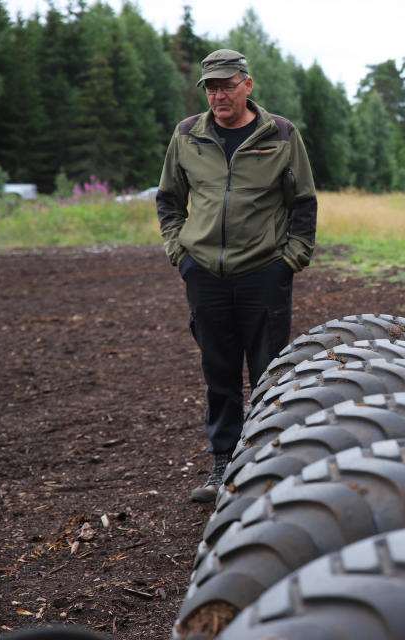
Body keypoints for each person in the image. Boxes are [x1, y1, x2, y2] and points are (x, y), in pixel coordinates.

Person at [155, 49, 317, 502]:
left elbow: (303, 202)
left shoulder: (280, 134)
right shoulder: (187, 135)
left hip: (264, 272)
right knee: (219, 373)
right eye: (211, 87)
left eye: (227, 85)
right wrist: (179, 253)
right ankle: (224, 465)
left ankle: (269, 463)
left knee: (270, 372)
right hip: (204, 273)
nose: (218, 94)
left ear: (248, 84)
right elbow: (169, 199)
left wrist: (291, 260)